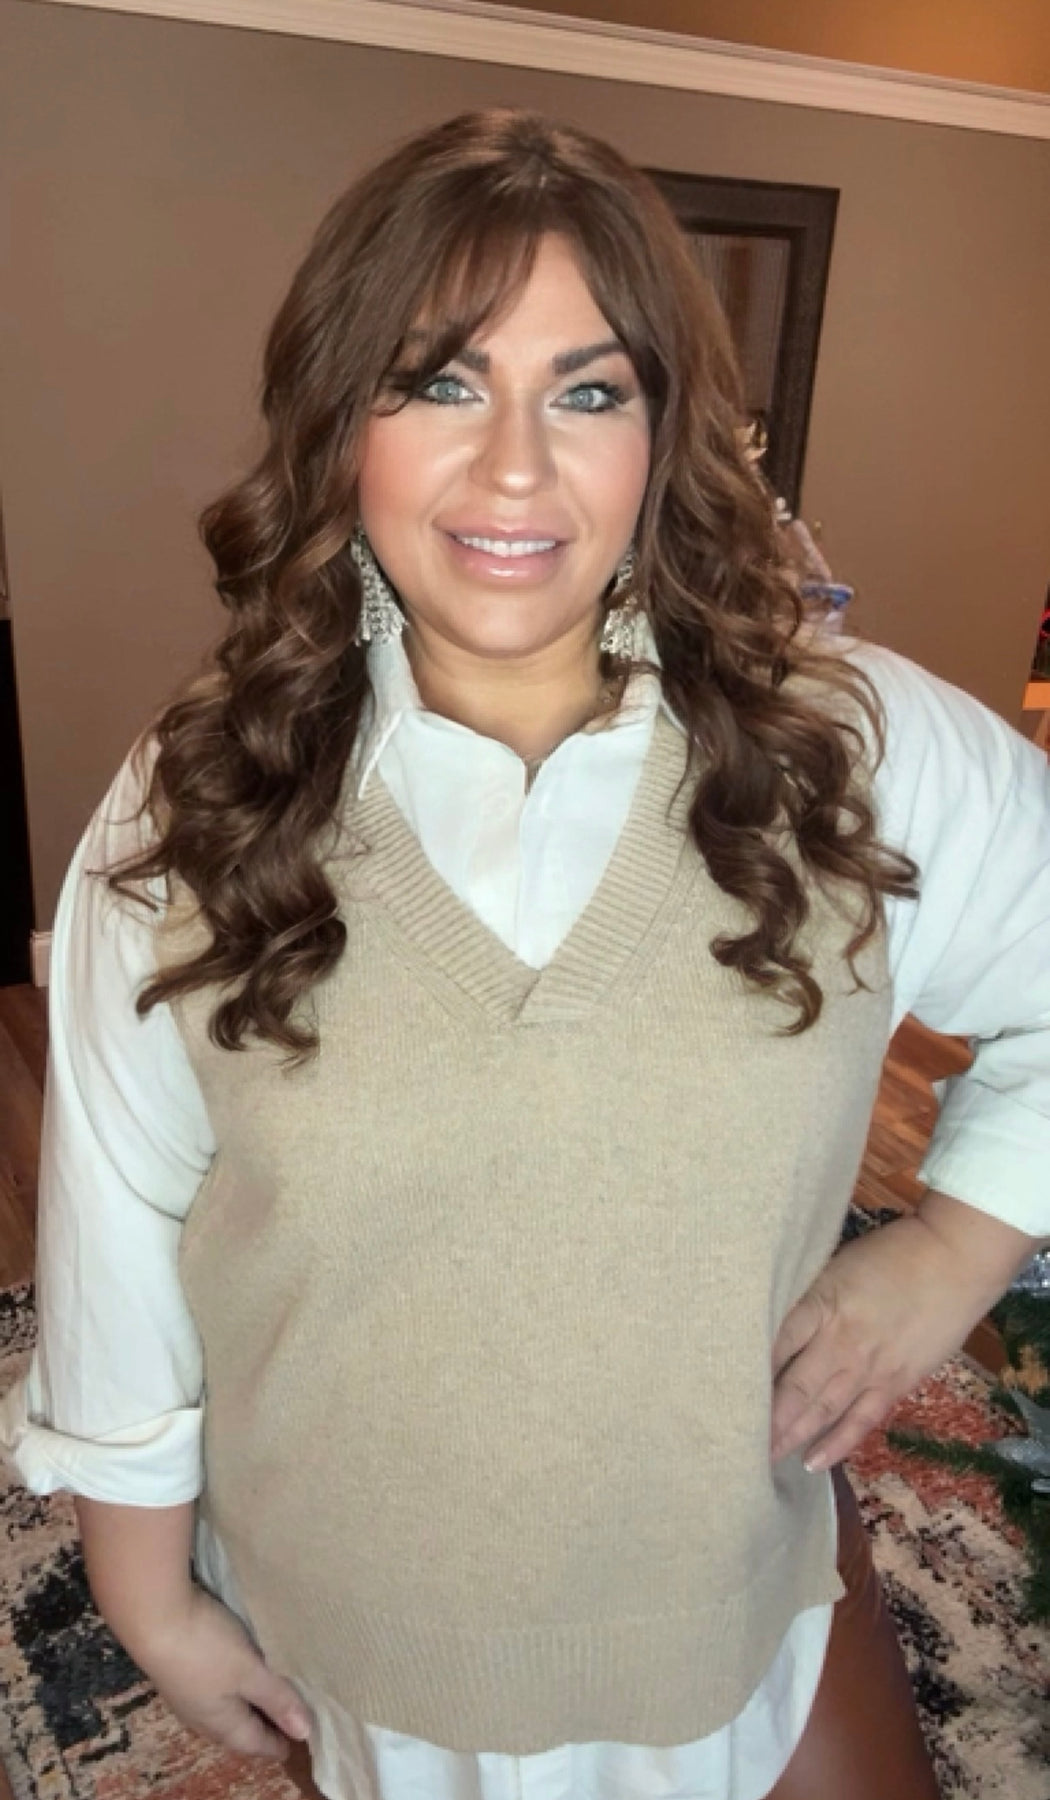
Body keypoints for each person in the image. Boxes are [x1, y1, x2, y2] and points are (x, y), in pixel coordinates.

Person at [2, 108, 1049, 1800]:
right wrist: (147, 1593)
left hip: (719, 1600)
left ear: (664, 433)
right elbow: (117, 1217)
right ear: (340, 419)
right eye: (437, 381)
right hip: (361, 1633)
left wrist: (950, 1248)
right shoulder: (199, 797)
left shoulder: (851, 748)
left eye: (587, 392)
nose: (512, 470)